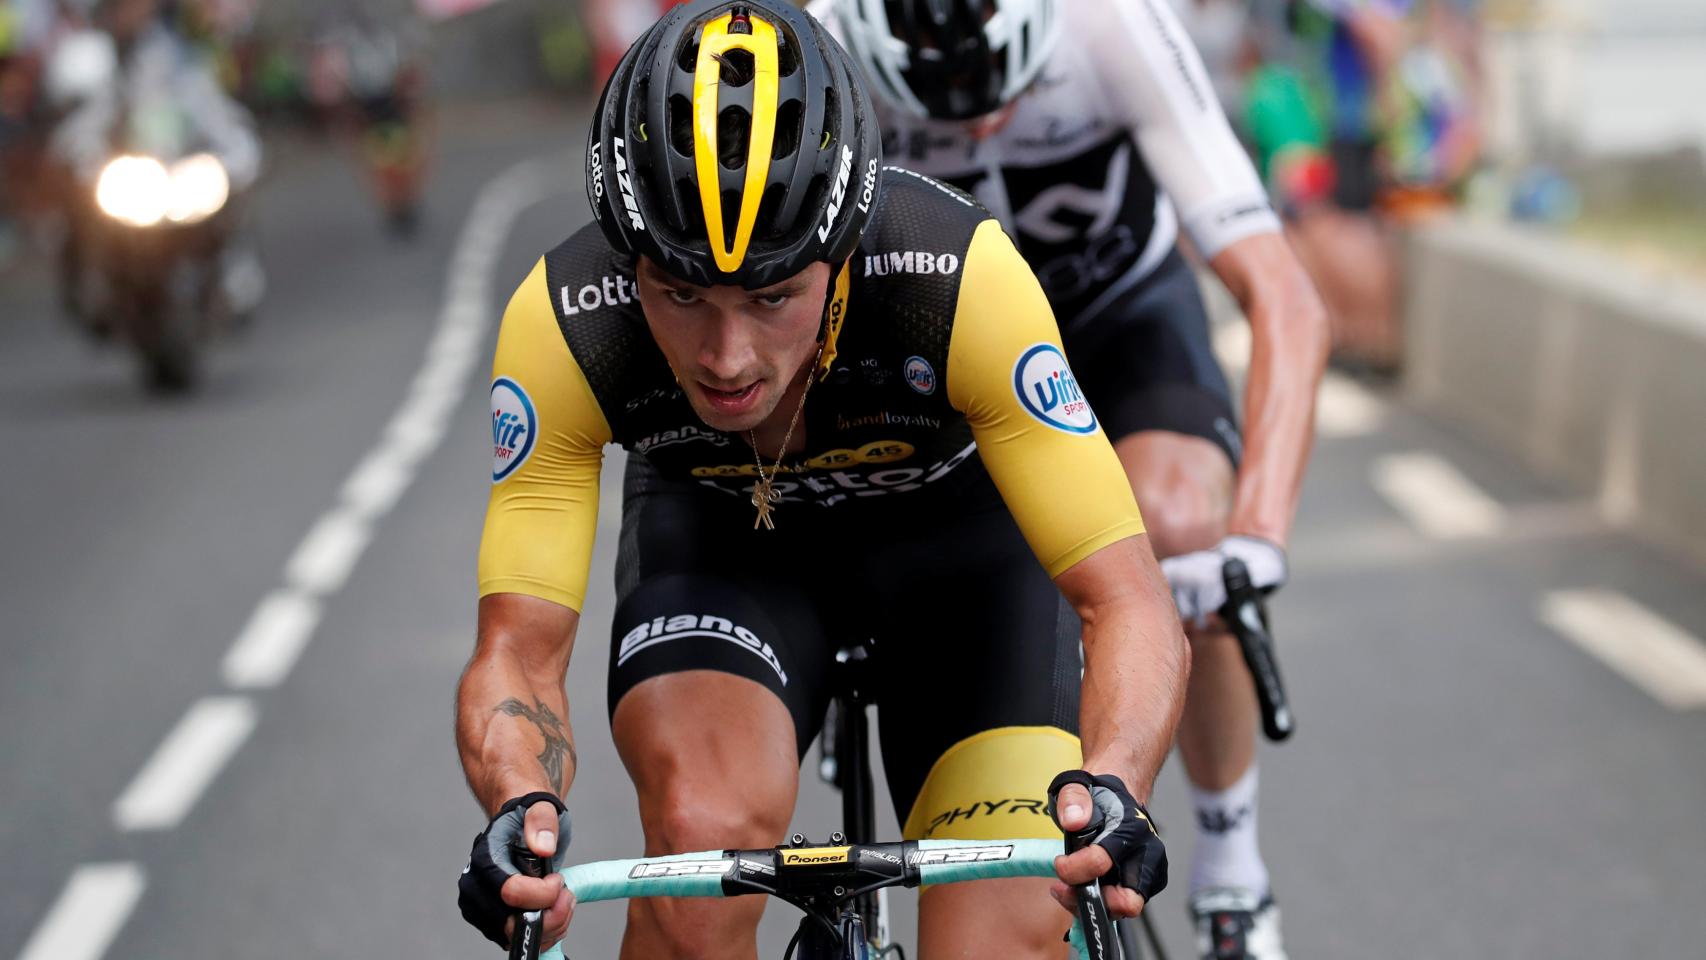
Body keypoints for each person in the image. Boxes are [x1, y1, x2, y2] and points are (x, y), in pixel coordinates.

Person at [454, 0, 1194, 956]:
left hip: (964, 566)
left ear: (842, 256)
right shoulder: (570, 321)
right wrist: (523, 804)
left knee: (1006, 927)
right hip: (728, 551)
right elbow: (517, 652)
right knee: (695, 850)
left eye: (773, 296)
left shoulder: (955, 279)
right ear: (628, 256)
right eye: (680, 294)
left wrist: (1120, 784)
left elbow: (1128, 600)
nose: (727, 357)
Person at [820, 1, 1330, 957]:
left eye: (1000, 101)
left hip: (1117, 321)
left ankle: (1231, 875)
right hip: (945, 360)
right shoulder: (826, 44)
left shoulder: (1110, 27)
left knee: (1180, 534)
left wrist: (1253, 538)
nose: (976, 129)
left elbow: (1285, 300)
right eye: (936, 110)